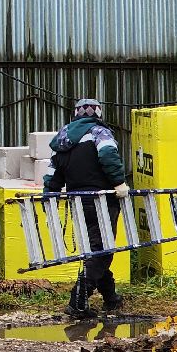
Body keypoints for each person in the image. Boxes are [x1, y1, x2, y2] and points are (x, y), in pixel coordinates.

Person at [43, 96, 129, 320]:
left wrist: (49, 195)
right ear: (98, 114)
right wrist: (119, 183)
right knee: (102, 250)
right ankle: (78, 302)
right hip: (101, 199)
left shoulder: (62, 139)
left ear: (75, 114)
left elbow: (53, 173)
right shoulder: (99, 133)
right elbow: (108, 156)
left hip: (78, 201)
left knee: (96, 248)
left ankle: (111, 298)